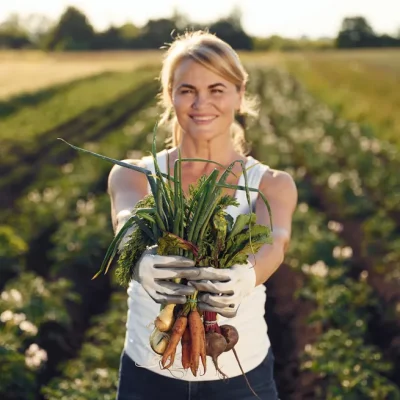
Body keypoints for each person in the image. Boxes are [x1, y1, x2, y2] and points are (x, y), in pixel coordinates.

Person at [109, 30, 298, 400]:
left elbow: (275, 241)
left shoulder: (271, 184)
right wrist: (139, 260)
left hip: (242, 377)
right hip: (148, 373)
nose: (201, 103)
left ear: (240, 95)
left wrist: (247, 276)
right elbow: (127, 220)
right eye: (187, 90)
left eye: (216, 89)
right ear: (169, 96)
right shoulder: (133, 174)